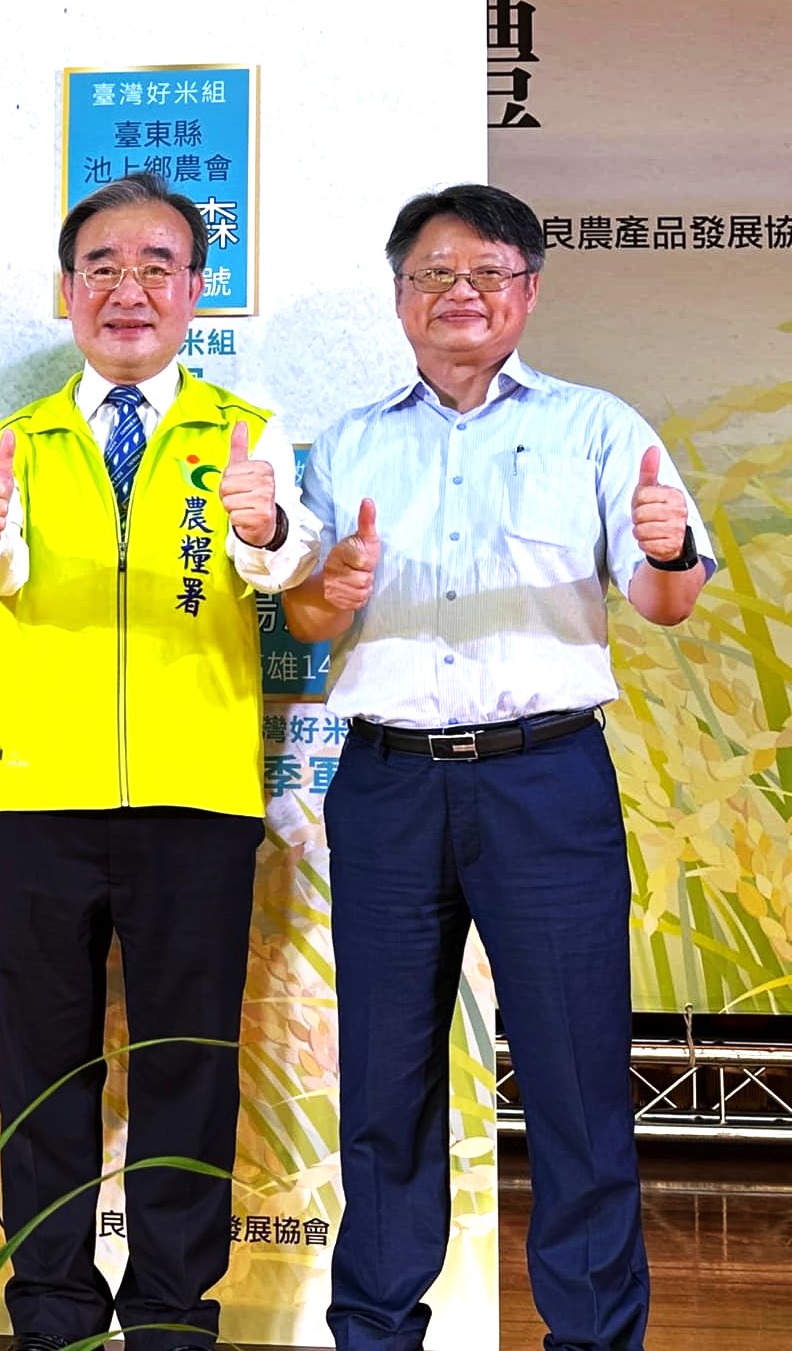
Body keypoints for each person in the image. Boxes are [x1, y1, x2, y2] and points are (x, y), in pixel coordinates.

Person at [283, 183, 714, 1351]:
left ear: (527, 289)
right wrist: (326, 587)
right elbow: (309, 618)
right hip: (385, 783)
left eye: (486, 271)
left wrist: (669, 547)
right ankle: (374, 1327)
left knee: (573, 1082)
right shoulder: (349, 440)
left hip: (542, 781)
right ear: (398, 295)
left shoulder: (596, 428)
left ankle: (590, 1336)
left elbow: (664, 599)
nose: (458, 293)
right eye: (433, 272)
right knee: (383, 1082)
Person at [0, 171, 320, 1351]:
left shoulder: (245, 433)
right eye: (100, 266)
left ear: (196, 289)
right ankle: (50, 1309)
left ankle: (168, 1311)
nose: (127, 289)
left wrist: (263, 526)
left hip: (195, 797)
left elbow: (286, 562)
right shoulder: (14, 438)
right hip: (39, 796)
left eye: (156, 265)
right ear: (64, 291)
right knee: (41, 1070)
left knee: (184, 1064)